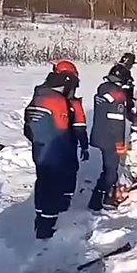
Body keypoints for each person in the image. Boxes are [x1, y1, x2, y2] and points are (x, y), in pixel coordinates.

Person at [23, 68, 85, 239]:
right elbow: (62, 133)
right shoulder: (57, 101)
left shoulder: (39, 96)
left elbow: (27, 128)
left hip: (41, 150)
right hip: (55, 153)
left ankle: (42, 221)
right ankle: (48, 229)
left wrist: (40, 142)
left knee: (43, 184)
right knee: (53, 188)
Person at [87, 65, 132, 211]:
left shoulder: (103, 89)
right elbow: (117, 122)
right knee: (110, 171)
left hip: (99, 134)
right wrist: (120, 143)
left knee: (108, 168)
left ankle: (102, 197)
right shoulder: (118, 95)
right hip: (110, 138)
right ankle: (100, 200)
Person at [52, 59, 90, 209]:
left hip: (50, 147)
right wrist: (84, 146)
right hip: (66, 146)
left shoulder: (44, 98)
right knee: (68, 174)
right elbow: (80, 127)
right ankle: (63, 205)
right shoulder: (73, 104)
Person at [113, 53, 137, 141]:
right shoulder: (124, 72)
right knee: (136, 120)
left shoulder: (115, 70)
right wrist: (131, 104)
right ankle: (134, 140)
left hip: (112, 103)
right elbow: (124, 91)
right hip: (122, 103)